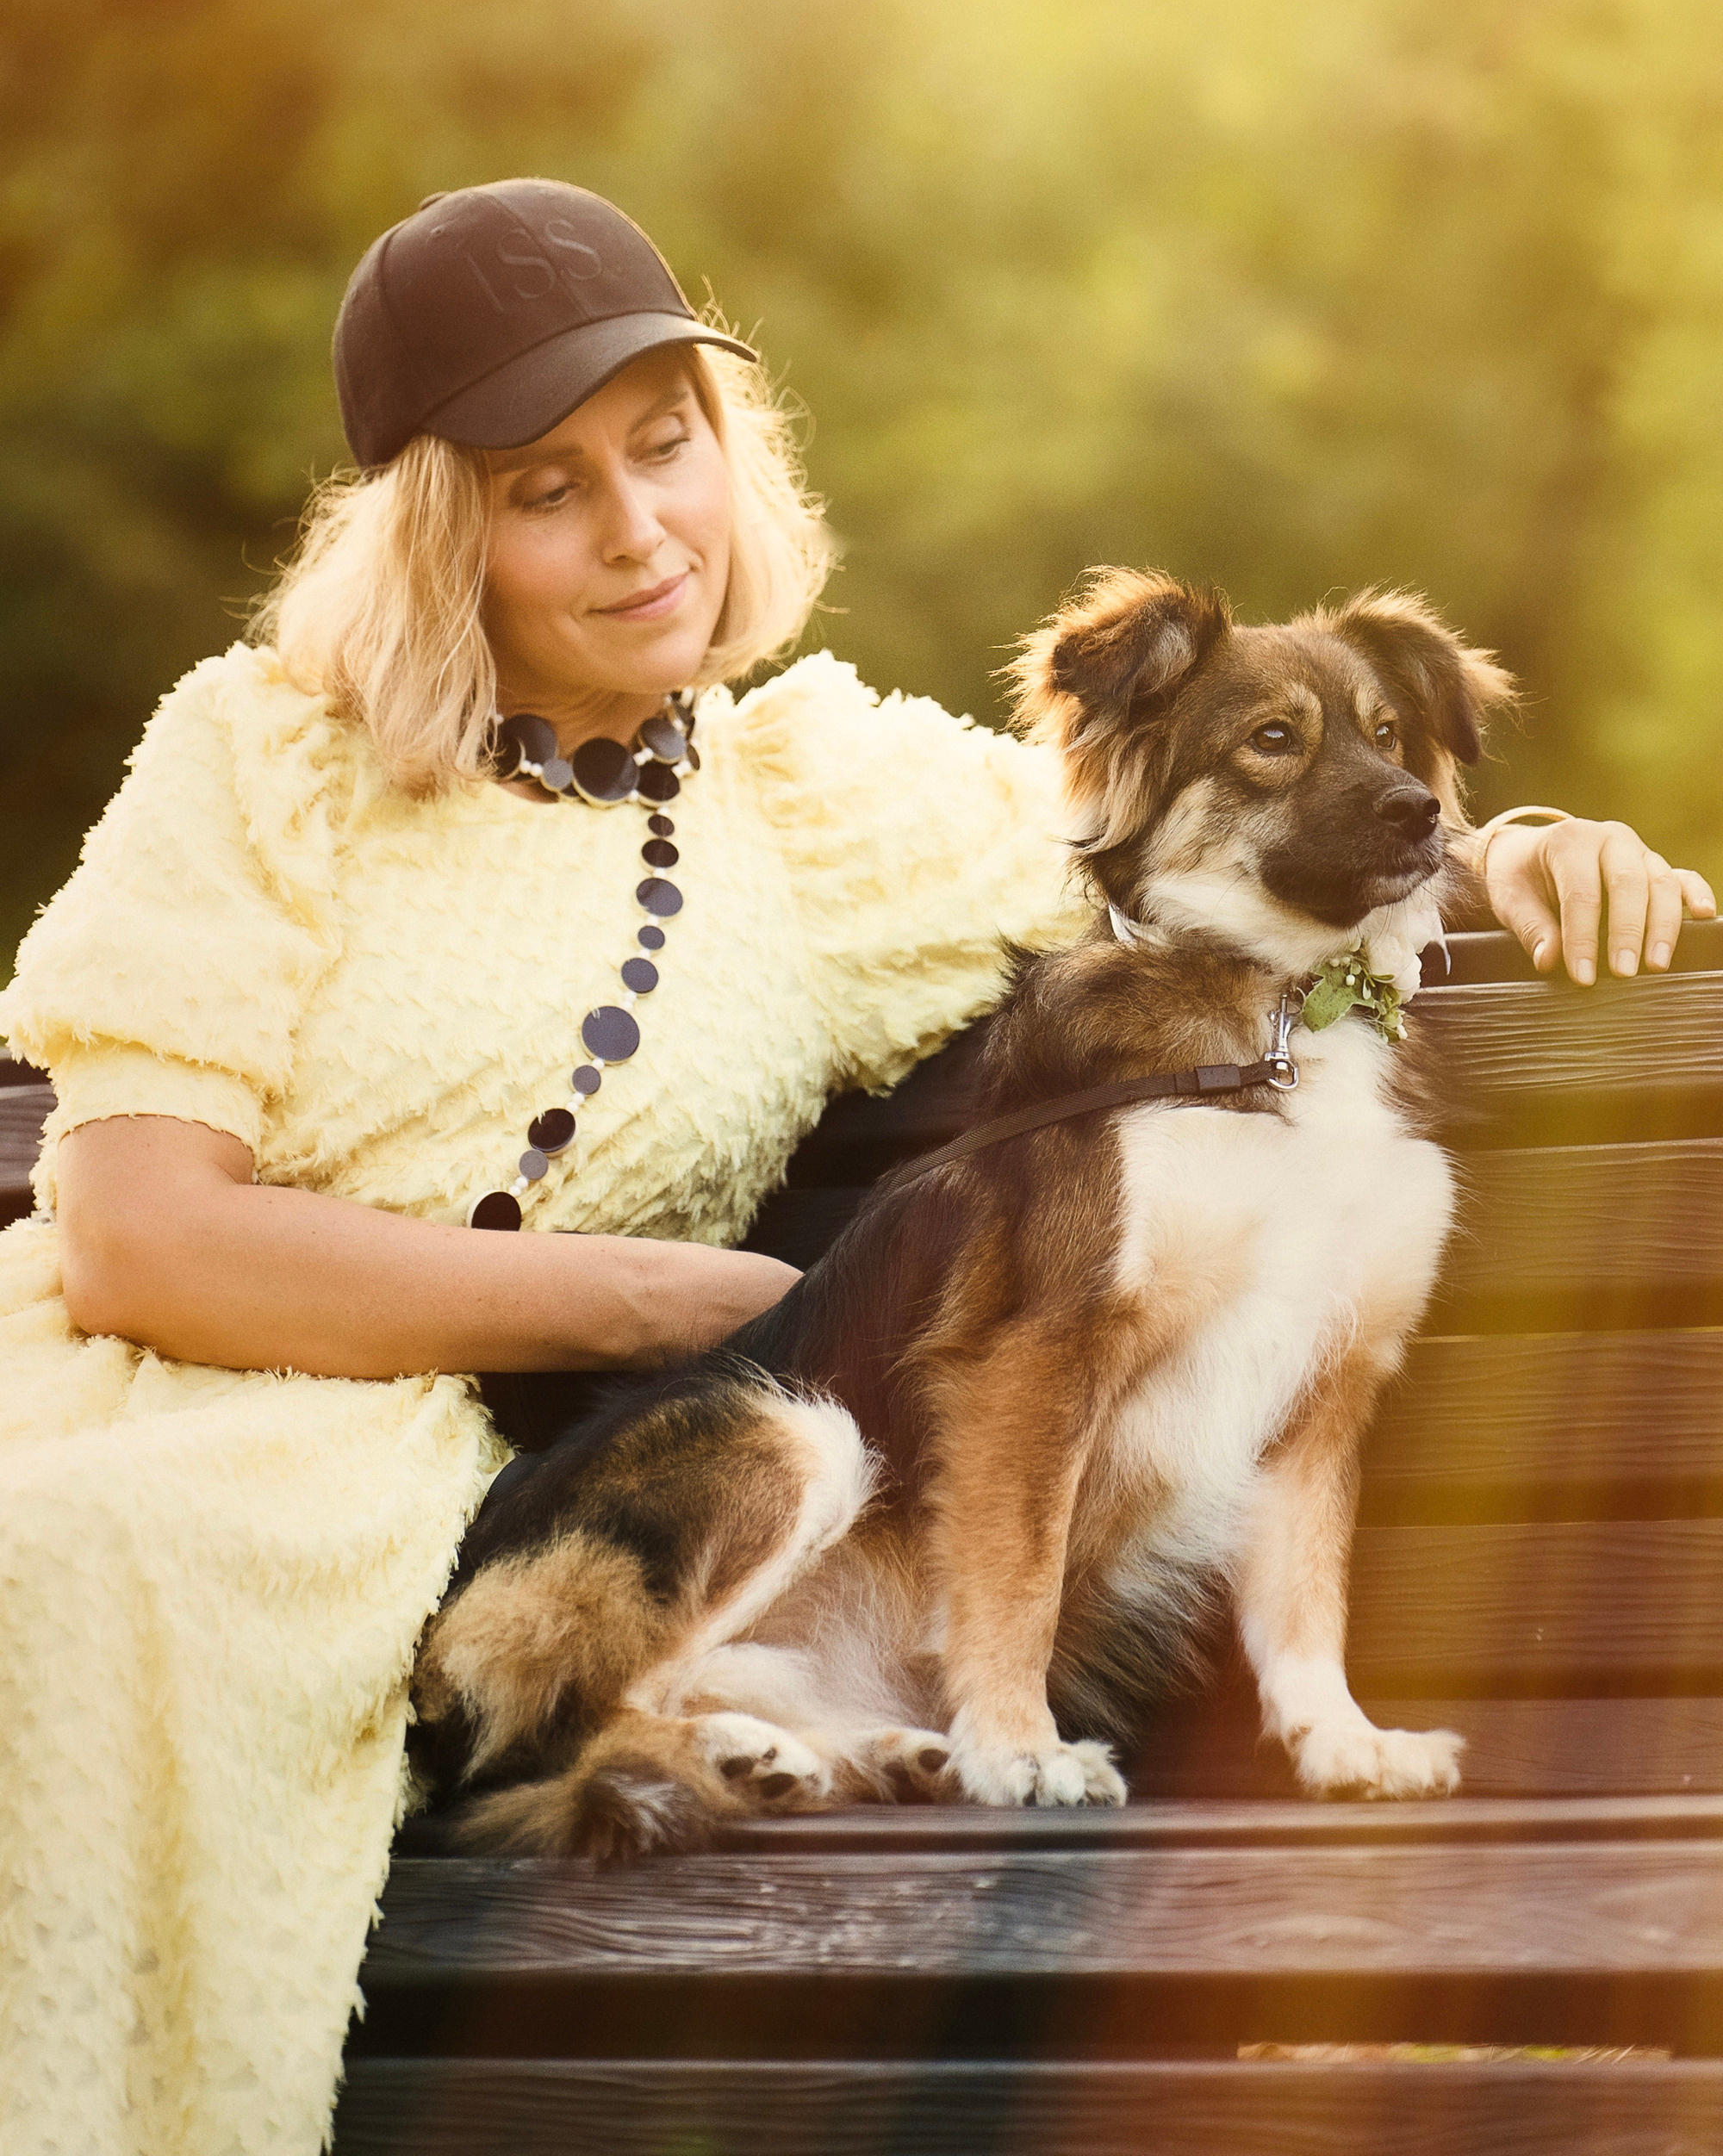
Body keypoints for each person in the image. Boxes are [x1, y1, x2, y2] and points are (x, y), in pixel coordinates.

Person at [0, 177, 1711, 2156]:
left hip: (549, 1542)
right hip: (142, 1434)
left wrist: (1508, 849)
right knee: (64, 1569)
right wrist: (671, 1303)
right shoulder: (253, 751)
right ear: (434, 534)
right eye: (546, 489)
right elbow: (132, 1237)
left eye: (668, 449)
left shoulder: (814, 802)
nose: (640, 530)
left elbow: (1201, 827)